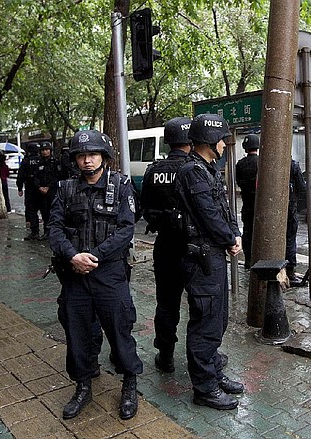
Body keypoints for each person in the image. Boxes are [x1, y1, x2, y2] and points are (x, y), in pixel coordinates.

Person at [48, 129, 142, 420]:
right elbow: (54, 228)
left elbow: (127, 229)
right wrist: (72, 256)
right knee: (77, 332)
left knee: (119, 329)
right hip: (75, 274)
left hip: (109, 272)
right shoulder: (65, 189)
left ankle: (129, 383)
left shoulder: (122, 185)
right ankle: (83, 385)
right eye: (81, 155)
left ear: (104, 157)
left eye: (93, 154)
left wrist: (95, 256)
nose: (87, 161)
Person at [175, 114, 244, 410]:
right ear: (211, 141)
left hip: (213, 256)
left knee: (218, 319)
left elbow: (224, 208)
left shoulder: (208, 169)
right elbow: (208, 215)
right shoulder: (192, 171)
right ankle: (204, 388)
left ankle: (213, 372)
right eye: (223, 141)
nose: (225, 146)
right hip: (201, 258)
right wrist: (229, 238)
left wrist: (235, 233)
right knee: (205, 323)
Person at [140, 116, 192, 373]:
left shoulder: (154, 170)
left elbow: (145, 208)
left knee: (166, 302)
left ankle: (166, 354)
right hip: (193, 249)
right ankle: (202, 357)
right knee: (200, 304)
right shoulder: (196, 168)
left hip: (165, 246)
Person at [235, 134, 260, 269]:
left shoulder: (240, 164)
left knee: (248, 232)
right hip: (261, 204)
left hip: (247, 203)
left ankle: (248, 260)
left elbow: (238, 182)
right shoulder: (262, 162)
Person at [286, 158, 306, 286]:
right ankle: (290, 272)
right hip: (290, 207)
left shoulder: (266, 161)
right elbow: (302, 187)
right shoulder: (292, 165)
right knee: (290, 240)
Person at [35, 142, 61, 239]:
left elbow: (57, 176)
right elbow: (35, 177)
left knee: (54, 212)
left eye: (47, 149)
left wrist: (48, 187)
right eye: (43, 150)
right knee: (44, 212)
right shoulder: (38, 163)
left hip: (52, 191)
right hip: (41, 192)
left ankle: (54, 232)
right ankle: (46, 231)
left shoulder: (55, 162)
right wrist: (39, 187)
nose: (45, 152)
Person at [17, 142, 41, 239]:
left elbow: (20, 175)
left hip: (30, 189)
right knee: (45, 210)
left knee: (31, 210)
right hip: (42, 190)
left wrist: (19, 187)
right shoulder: (42, 160)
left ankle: (35, 231)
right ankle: (47, 232)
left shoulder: (26, 161)